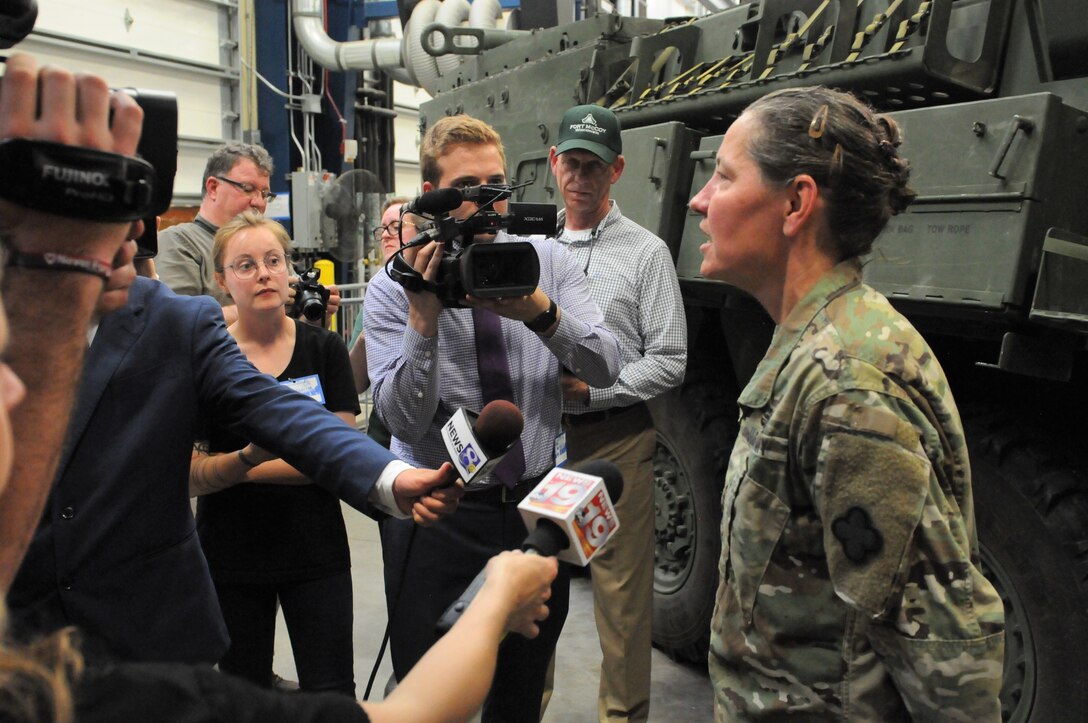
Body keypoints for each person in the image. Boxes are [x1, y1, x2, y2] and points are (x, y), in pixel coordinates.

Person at [0, 53, 557, 723]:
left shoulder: (177, 323)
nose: (128, 252)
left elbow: (286, 413)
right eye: (103, 235)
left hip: (150, 643)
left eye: (130, 230)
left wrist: (386, 477)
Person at [688, 86, 1005, 719]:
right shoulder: (814, 344)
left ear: (796, 203)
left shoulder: (849, 385)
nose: (699, 199)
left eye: (723, 176)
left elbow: (947, 666)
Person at [365, 114, 622, 722]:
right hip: (438, 514)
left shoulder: (549, 263)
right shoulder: (391, 287)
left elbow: (608, 365)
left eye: (496, 187)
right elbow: (401, 415)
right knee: (430, 695)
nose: (485, 207)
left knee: (519, 693)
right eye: (466, 191)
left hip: (535, 511)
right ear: (432, 200)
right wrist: (422, 321)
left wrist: (539, 311)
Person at [549, 104, 686, 723]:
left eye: (593, 166)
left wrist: (594, 394)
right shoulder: (533, 247)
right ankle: (526, 707)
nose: (580, 177)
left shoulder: (646, 254)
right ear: (554, 165)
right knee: (534, 589)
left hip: (615, 442)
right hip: (541, 443)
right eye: (571, 163)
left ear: (618, 171)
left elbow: (670, 360)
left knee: (621, 599)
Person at [186, 213, 357, 694]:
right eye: (245, 265)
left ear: (288, 270)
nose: (263, 273)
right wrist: (257, 461)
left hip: (314, 552)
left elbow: (336, 457)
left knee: (331, 692)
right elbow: (191, 477)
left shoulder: (323, 350)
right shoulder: (206, 361)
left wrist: (240, 467)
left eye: (273, 260)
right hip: (229, 556)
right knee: (243, 695)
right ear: (221, 281)